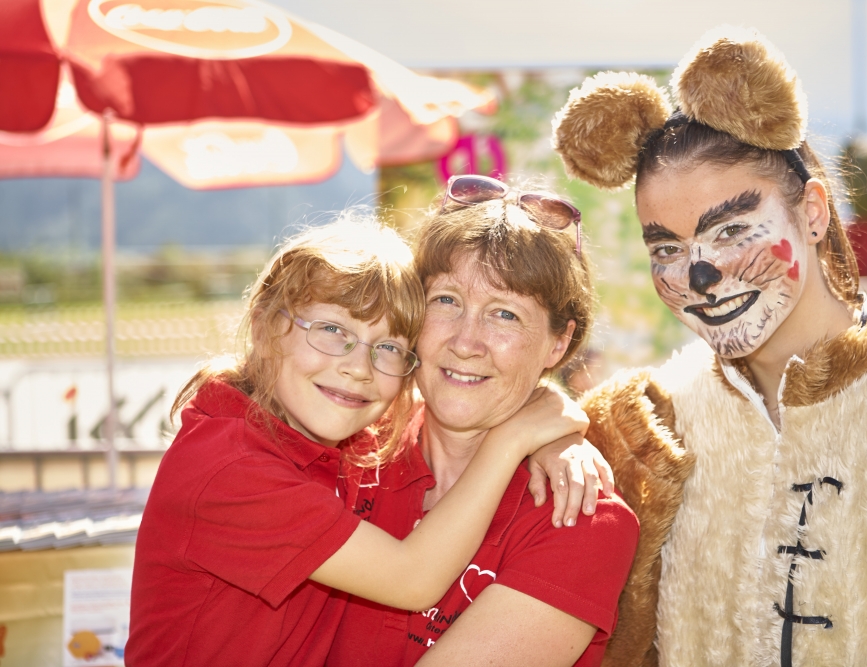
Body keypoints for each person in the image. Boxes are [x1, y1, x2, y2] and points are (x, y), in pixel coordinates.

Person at [550, 27, 867, 667]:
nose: (698, 275)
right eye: (667, 249)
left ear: (813, 212)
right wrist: (549, 432)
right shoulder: (644, 428)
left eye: (731, 228)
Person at [126, 214, 613, 667]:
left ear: (559, 343)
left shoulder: (327, 442)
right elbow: (412, 578)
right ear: (265, 326)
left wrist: (547, 434)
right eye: (446, 300)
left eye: (386, 348)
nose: (357, 367)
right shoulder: (237, 465)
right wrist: (514, 436)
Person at [328, 176, 640, 666]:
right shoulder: (343, 448)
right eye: (447, 301)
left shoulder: (578, 515)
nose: (465, 342)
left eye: (505, 315)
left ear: (559, 343)